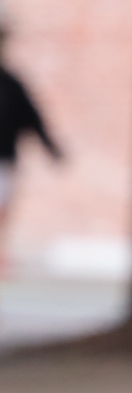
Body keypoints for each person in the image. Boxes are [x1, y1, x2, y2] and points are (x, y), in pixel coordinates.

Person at [0, 42, 63, 262]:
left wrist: (50, 146)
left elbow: (33, 117)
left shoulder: (11, 85)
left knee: (2, 207)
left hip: (3, 159)